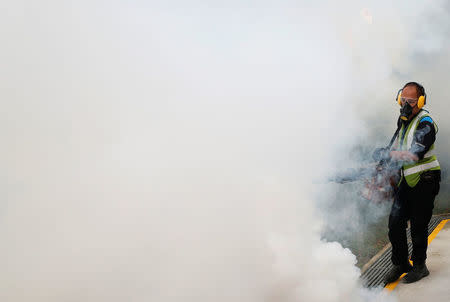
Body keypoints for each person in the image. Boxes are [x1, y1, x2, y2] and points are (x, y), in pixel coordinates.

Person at [384, 82, 441, 284]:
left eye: (412, 101)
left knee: (418, 224)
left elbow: (414, 154)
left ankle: (419, 266)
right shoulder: (404, 121)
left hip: (426, 179)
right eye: (404, 100)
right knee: (395, 223)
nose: (406, 105)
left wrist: (388, 153)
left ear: (421, 101)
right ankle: (401, 263)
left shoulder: (425, 123)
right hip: (408, 180)